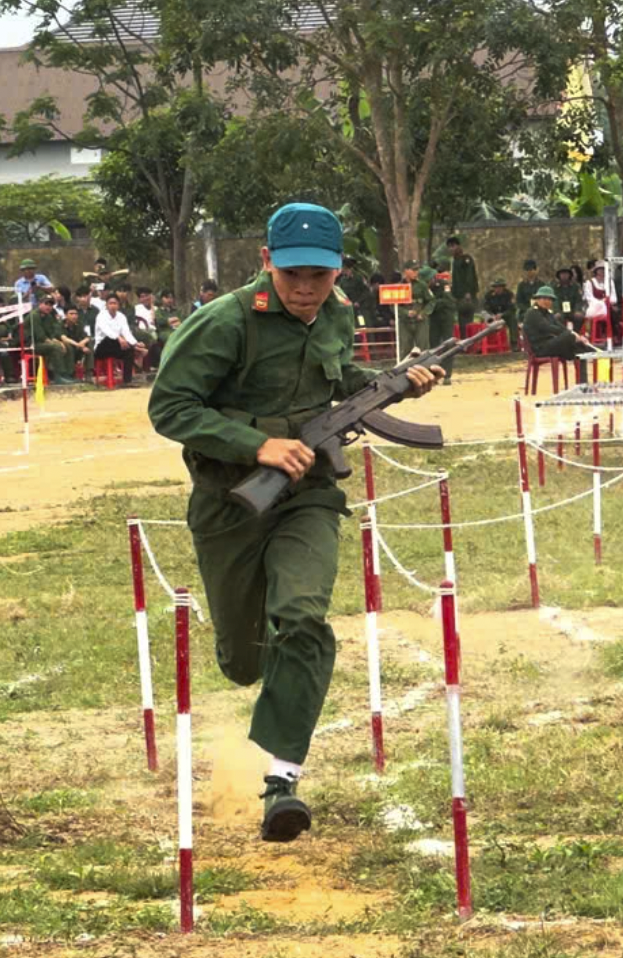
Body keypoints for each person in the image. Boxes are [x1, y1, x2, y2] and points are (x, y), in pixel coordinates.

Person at [147, 202, 441, 843]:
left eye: (320, 275)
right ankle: (250, 662)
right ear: (266, 263)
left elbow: (337, 379)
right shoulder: (223, 323)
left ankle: (281, 780)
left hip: (308, 496)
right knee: (244, 662)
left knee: (302, 618)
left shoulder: (336, 314)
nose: (307, 288)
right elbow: (169, 407)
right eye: (293, 274)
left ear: (339, 271)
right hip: (230, 501)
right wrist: (257, 445)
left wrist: (395, 384)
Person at [522, 285, 598, 384]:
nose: (547, 301)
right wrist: (572, 335)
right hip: (540, 348)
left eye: (549, 299)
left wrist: (577, 336)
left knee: (579, 348)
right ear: (537, 299)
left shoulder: (548, 313)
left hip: (550, 345)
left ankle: (583, 383)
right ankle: (592, 349)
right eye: (544, 298)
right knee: (569, 336)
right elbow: (548, 327)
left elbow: (560, 327)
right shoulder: (532, 312)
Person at [92, 294, 140, 384]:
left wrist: (135, 343)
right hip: (102, 348)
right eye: (110, 303)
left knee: (129, 350)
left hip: (117, 347)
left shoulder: (121, 316)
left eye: (115, 303)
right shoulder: (101, 316)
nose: (113, 306)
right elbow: (107, 331)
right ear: (106, 305)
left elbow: (126, 332)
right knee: (110, 339)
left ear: (118, 305)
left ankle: (127, 381)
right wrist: (119, 338)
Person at [31, 296, 76, 384]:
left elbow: (52, 333)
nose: (48, 307)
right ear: (40, 304)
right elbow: (41, 336)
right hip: (32, 344)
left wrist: (59, 342)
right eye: (46, 304)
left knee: (67, 345)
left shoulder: (48, 317)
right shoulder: (34, 316)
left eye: (51, 305)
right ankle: (58, 376)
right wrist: (57, 343)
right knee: (56, 347)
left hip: (44, 343)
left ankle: (68, 374)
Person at [427, 270, 456, 384]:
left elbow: (450, 302)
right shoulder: (425, 288)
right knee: (433, 346)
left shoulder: (444, 285)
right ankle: (435, 374)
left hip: (446, 318)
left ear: (434, 278)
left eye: (429, 280)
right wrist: (438, 303)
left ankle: (447, 375)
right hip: (433, 319)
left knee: (448, 345)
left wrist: (435, 303)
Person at [398, 262, 432, 355]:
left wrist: (423, 313)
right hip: (405, 322)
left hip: (420, 321)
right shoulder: (398, 286)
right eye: (413, 270)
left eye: (417, 270)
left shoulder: (422, 285)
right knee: (405, 347)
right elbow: (393, 306)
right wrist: (405, 312)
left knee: (423, 347)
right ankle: (405, 365)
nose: (416, 272)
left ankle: (424, 364)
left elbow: (431, 301)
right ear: (406, 271)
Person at [447, 236, 478, 331]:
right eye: (449, 247)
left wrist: (468, 292)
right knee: (462, 325)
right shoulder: (454, 261)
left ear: (459, 246)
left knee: (468, 324)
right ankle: (464, 340)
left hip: (467, 296)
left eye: (453, 246)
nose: (451, 249)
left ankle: (470, 340)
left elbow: (469, 276)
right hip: (458, 297)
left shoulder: (466, 259)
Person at [484, 277, 517, 350]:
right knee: (485, 320)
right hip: (493, 316)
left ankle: (514, 343)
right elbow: (485, 308)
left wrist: (502, 314)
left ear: (503, 287)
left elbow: (512, 309)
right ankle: (486, 343)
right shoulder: (489, 295)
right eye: (495, 287)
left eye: (499, 287)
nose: (497, 289)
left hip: (505, 315)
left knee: (513, 320)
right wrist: (491, 315)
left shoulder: (509, 294)